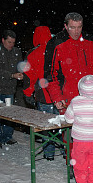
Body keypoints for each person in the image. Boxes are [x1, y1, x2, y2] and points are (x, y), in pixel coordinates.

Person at [44, 12, 93, 175]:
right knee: (72, 134)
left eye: (79, 27)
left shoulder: (89, 41)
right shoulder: (56, 43)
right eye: (72, 27)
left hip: (92, 95)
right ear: (65, 26)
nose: (76, 31)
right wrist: (56, 97)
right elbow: (50, 74)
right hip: (68, 96)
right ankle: (74, 165)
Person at [23, 26, 64, 160]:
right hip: (59, 95)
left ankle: (49, 153)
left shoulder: (33, 53)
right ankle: (66, 151)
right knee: (62, 125)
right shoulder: (58, 49)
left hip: (43, 95)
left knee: (46, 126)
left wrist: (28, 93)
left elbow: (29, 77)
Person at [0, 29, 23, 149]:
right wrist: (12, 75)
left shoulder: (17, 52)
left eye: (13, 42)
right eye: (9, 42)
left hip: (9, 89)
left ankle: (8, 136)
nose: (11, 45)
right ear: (3, 40)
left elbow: (20, 66)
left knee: (9, 113)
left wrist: (21, 73)